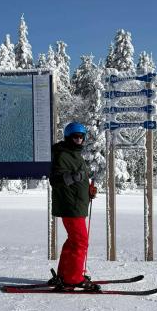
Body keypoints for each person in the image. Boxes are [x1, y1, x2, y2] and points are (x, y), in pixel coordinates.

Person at [49, 121, 98, 288]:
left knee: (73, 241)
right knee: (80, 242)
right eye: (75, 136)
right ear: (68, 137)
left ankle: (64, 274)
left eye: (81, 137)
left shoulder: (74, 154)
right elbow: (55, 180)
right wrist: (73, 178)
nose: (79, 140)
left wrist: (88, 190)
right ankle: (74, 278)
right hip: (70, 205)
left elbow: (79, 178)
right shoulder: (62, 154)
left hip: (77, 204)